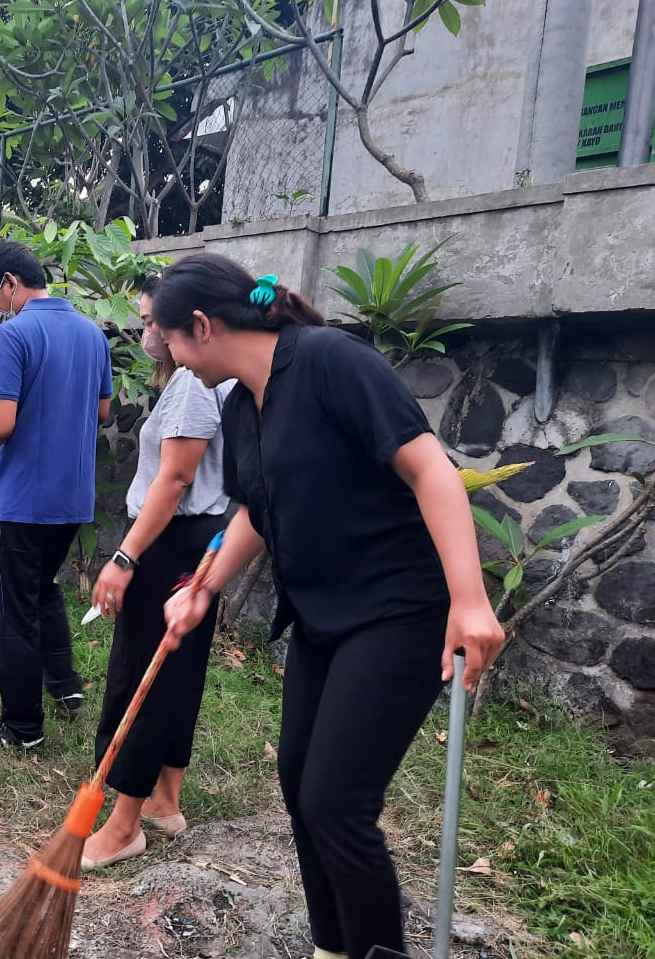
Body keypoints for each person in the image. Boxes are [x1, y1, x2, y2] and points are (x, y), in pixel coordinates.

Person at [156, 254, 504, 959]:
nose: (167, 360)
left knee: (337, 803)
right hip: (322, 616)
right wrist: (203, 588)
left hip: (398, 611)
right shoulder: (237, 404)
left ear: (200, 325)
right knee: (299, 783)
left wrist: (470, 599)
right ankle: (332, 946)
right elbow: (257, 507)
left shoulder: (329, 361)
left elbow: (430, 467)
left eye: (167, 341)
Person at [80, 276, 234, 869]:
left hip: (170, 544)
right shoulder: (189, 382)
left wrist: (125, 557)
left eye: (151, 323)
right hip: (187, 542)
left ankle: (123, 825)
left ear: (183, 327)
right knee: (178, 671)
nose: (145, 333)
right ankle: (164, 802)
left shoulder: (194, 385)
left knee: (142, 676)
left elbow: (173, 482)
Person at [0, 241, 113, 750]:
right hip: (71, 499)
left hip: (22, 500)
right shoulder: (93, 334)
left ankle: (22, 728)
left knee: (13, 611)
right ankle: (66, 690)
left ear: (9, 284)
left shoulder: (14, 334)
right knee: (43, 589)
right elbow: (103, 412)